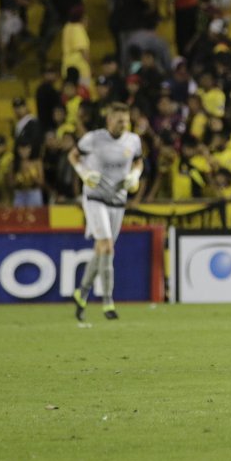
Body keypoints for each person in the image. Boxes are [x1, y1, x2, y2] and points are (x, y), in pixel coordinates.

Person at [67, 103, 143, 322]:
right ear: (109, 120)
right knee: (108, 246)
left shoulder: (133, 140)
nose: (124, 124)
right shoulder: (93, 138)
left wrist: (135, 176)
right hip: (94, 198)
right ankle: (108, 302)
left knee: (101, 249)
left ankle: (81, 293)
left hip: (118, 200)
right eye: (120, 120)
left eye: (126, 120)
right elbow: (73, 155)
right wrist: (84, 173)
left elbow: (138, 161)